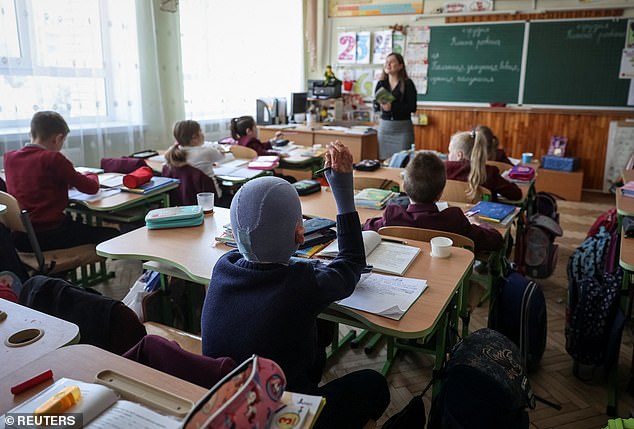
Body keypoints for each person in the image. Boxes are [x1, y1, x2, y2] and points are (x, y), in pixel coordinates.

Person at [201, 141, 390, 429]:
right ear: (300, 235)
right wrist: (342, 189)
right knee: (374, 384)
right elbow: (351, 262)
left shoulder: (223, 266)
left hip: (227, 400)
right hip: (281, 414)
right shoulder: (300, 284)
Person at [4, 111, 119, 251]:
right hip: (49, 235)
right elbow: (91, 188)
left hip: (20, 238)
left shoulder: (9, 158)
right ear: (57, 138)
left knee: (78, 225)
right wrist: (91, 174)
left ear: (31, 134)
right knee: (113, 235)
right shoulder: (53, 159)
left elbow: (37, 180)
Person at [364, 152, 503, 253]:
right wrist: (477, 223)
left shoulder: (392, 216)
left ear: (404, 187)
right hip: (449, 283)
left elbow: (366, 227)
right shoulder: (454, 220)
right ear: (441, 191)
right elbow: (495, 241)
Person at [445, 130, 522, 202]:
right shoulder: (488, 173)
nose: (448, 155)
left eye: (450, 152)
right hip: (481, 215)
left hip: (450, 215)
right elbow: (516, 195)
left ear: (459, 155)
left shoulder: (442, 169)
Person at [164, 119, 225, 199]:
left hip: (184, 201)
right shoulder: (206, 151)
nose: (202, 133)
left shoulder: (173, 153)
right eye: (200, 131)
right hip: (209, 201)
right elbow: (222, 155)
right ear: (194, 137)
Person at [374, 52, 417, 160]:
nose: (388, 64)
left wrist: (392, 107)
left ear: (400, 66)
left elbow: (412, 107)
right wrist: (379, 105)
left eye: (392, 62)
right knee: (385, 161)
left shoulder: (408, 84)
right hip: (385, 128)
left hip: (403, 129)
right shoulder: (381, 84)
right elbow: (375, 103)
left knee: (403, 161)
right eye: (386, 62)